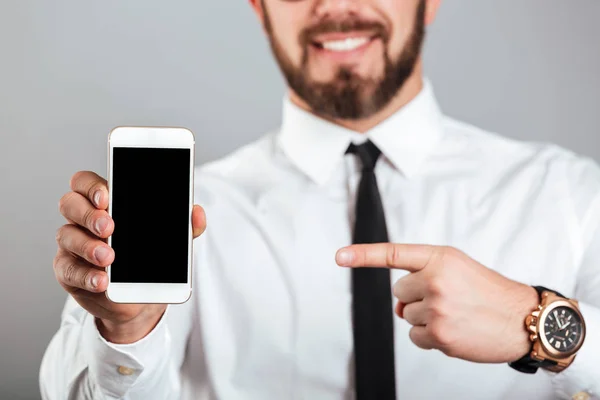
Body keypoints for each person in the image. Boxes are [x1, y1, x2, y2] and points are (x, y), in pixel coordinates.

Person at [40, 0, 600, 399]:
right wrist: (126, 332)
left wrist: (537, 322)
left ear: (430, 3)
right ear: (259, 8)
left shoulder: (571, 194)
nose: (334, 5)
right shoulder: (181, 217)